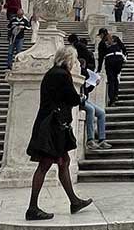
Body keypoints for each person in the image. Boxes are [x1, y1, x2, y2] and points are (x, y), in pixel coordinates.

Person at [25, 45, 95, 220]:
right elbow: (72, 98)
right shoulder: (62, 75)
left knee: (63, 162)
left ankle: (74, 201)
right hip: (53, 126)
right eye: (74, 60)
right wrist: (82, 97)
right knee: (44, 165)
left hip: (51, 123)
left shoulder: (52, 73)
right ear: (69, 59)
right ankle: (32, 208)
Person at [75, 36, 111, 151]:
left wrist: (93, 84)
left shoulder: (84, 73)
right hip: (79, 100)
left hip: (85, 98)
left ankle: (101, 139)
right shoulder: (78, 72)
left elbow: (86, 89)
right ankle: (90, 140)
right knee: (90, 110)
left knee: (101, 112)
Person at [98, 29, 128, 106]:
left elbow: (101, 57)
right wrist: (124, 56)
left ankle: (112, 99)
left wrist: (98, 69)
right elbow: (124, 48)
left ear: (102, 34)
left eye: (100, 35)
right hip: (119, 60)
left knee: (111, 79)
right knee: (115, 77)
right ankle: (116, 94)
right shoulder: (116, 38)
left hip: (110, 60)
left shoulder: (102, 43)